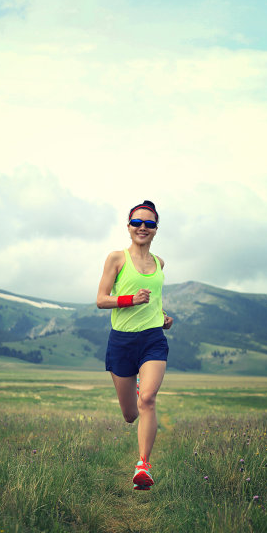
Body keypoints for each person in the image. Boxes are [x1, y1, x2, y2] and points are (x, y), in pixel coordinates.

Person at [97, 200, 173, 490]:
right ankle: (138, 392)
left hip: (153, 339)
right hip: (122, 342)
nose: (143, 227)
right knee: (131, 414)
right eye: (137, 223)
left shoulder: (159, 264)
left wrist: (162, 317)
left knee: (149, 400)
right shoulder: (116, 259)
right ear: (129, 227)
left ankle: (143, 465)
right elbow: (101, 299)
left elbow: (155, 298)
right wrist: (130, 300)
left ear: (156, 230)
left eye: (149, 224)